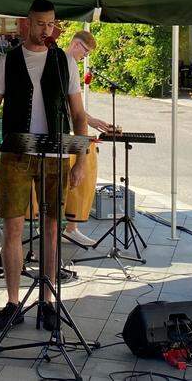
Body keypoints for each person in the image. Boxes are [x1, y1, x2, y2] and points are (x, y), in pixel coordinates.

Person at [0, 0, 89, 333]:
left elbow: (79, 114)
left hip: (56, 156)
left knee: (52, 229)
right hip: (15, 155)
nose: (46, 30)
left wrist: (80, 159)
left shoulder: (64, 62)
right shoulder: (6, 62)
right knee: (13, 227)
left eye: (51, 24)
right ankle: (13, 303)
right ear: (27, 24)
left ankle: (48, 300)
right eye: (40, 23)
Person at [63, 30, 116, 246]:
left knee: (65, 181)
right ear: (76, 44)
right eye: (85, 52)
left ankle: (68, 227)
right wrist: (89, 122)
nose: (85, 57)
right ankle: (71, 227)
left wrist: (91, 120)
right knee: (76, 178)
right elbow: (72, 106)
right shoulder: (67, 64)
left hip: (64, 129)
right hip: (63, 131)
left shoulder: (62, 62)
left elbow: (74, 107)